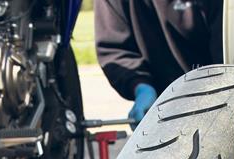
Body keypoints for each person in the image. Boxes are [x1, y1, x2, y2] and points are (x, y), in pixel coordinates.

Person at [94, 0, 224, 124]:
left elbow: (228, 45)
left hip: (218, 93)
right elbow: (115, 49)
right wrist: (140, 86)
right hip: (158, 106)